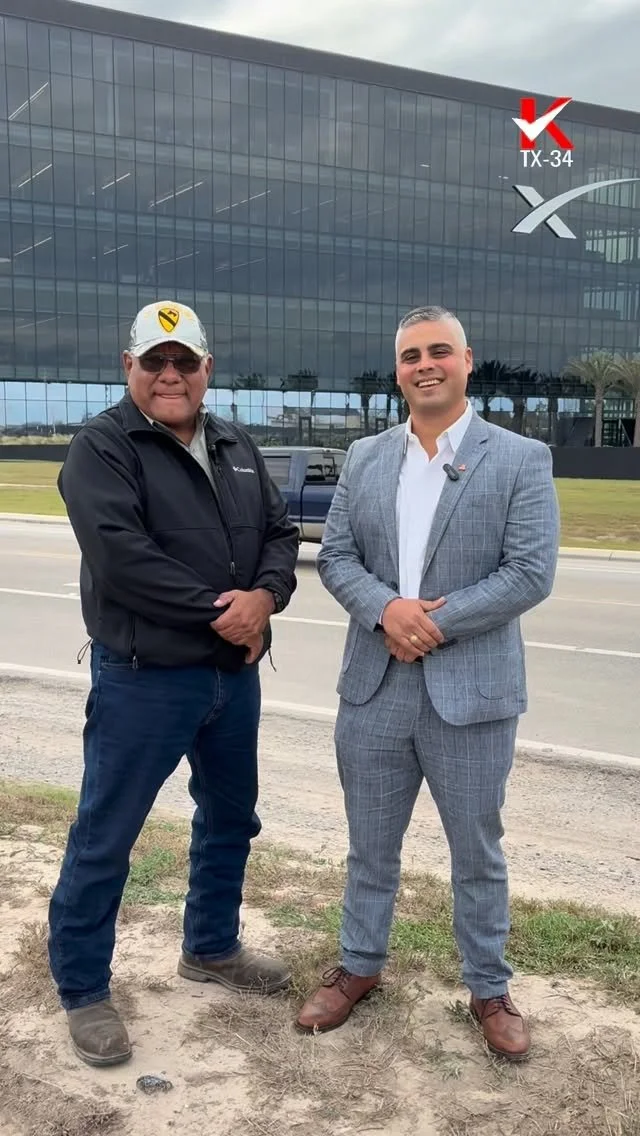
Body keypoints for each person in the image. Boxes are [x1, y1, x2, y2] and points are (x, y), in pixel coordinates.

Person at [297, 306, 559, 1061]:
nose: (425, 365)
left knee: (477, 852)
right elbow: (337, 557)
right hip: (374, 687)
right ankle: (358, 965)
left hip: (470, 694)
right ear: (398, 370)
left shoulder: (520, 458)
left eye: (439, 351)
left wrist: (430, 624)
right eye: (411, 355)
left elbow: (529, 572)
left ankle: (489, 987)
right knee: (369, 845)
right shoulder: (365, 456)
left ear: (467, 361)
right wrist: (388, 611)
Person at [48, 300, 299, 1068]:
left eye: (183, 361)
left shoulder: (235, 444)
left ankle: (211, 947)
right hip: (144, 680)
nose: (169, 375)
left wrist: (266, 597)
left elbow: (280, 534)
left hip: (232, 680)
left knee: (230, 820)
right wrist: (228, 614)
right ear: (129, 367)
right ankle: (83, 989)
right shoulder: (102, 447)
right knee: (107, 834)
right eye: (153, 361)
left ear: (206, 369)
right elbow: (123, 559)